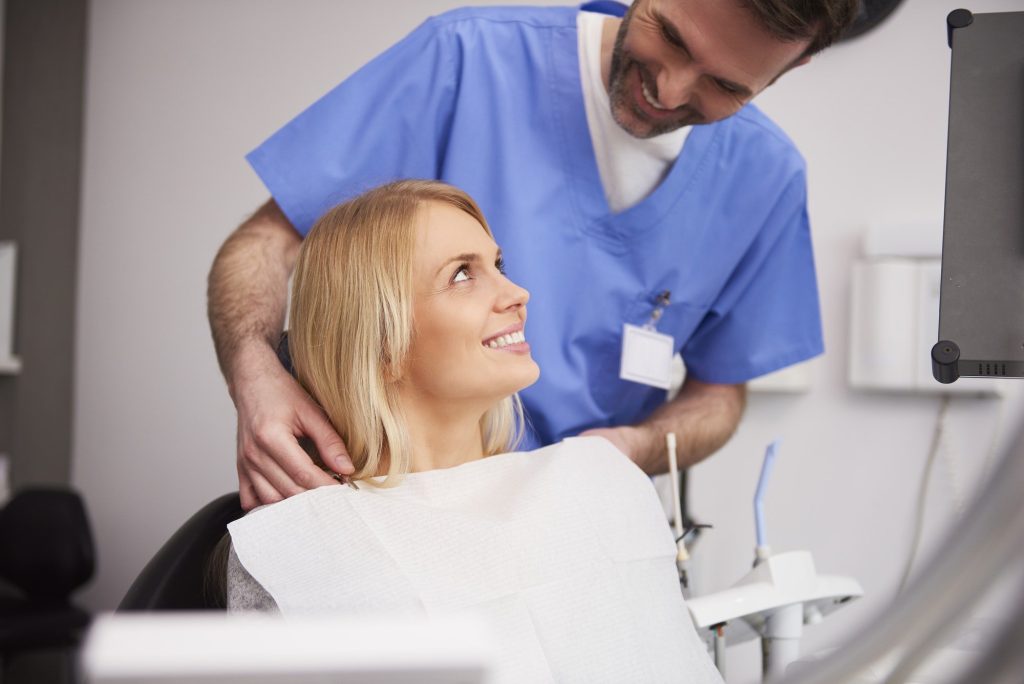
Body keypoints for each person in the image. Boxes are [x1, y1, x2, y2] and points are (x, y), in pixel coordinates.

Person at [208, 0, 860, 510]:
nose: (669, 87)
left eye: (723, 84)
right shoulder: (465, 60)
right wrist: (255, 373)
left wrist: (630, 449)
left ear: (790, 67)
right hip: (383, 504)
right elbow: (265, 244)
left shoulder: (763, 178)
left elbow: (720, 395)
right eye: (673, 37)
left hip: (565, 524)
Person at [225, 179, 724, 683]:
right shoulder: (298, 550)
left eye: (498, 266)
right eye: (463, 274)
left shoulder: (597, 483)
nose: (517, 293)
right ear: (380, 341)